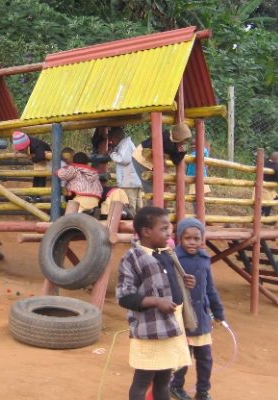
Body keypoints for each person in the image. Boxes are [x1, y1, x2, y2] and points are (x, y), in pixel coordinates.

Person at [116, 207, 195, 400]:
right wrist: (156, 301)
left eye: (170, 228)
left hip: (170, 328)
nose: (169, 232)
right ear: (146, 232)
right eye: (164, 228)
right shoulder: (132, 258)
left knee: (163, 382)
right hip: (150, 331)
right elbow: (124, 297)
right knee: (142, 383)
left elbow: (166, 285)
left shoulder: (167, 254)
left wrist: (184, 283)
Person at [170, 218, 225, 400]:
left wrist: (218, 312)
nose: (192, 242)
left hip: (201, 318)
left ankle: (203, 391)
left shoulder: (204, 259)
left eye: (196, 238)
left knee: (205, 358)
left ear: (202, 239)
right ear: (179, 238)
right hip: (182, 317)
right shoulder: (173, 258)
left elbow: (210, 288)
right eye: (188, 238)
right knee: (183, 357)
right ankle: (176, 387)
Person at [132, 123, 192, 197]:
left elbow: (176, 161)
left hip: (150, 162)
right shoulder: (166, 137)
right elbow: (152, 148)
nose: (185, 142)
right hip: (140, 158)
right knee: (151, 190)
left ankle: (155, 207)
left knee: (156, 189)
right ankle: (153, 207)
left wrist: (183, 152)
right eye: (184, 140)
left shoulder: (174, 143)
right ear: (179, 138)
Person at [108, 127, 143, 213]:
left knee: (131, 206)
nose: (111, 142)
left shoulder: (125, 145)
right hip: (133, 179)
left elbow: (123, 159)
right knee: (138, 205)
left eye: (112, 139)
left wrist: (112, 154)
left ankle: (133, 224)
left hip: (129, 181)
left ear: (116, 137)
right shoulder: (127, 144)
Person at [261, 152, 278, 217]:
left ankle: (265, 216)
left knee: (272, 200)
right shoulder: (274, 166)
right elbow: (276, 170)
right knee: (267, 203)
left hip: (268, 189)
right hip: (264, 188)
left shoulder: (266, 164)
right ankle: (264, 216)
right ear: (277, 159)